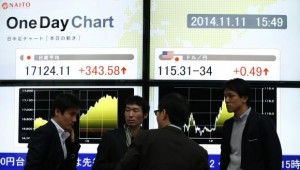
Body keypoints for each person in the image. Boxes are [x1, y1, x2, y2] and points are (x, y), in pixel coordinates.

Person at [116, 93, 209, 170]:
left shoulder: (145, 137)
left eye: (157, 112)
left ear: (164, 114)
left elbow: (124, 167)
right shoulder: (200, 152)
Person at [220, 78, 282, 170]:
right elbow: (225, 158)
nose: (227, 100)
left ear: (244, 98)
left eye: (231, 96)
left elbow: (274, 158)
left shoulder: (263, 122)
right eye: (225, 96)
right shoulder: (228, 125)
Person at [24, 93, 81, 170]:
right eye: (71, 114)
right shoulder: (43, 133)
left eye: (76, 115)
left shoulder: (66, 136)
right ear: (57, 112)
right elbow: (32, 167)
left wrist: (73, 143)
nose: (74, 120)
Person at [92, 95, 149, 170]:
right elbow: (97, 167)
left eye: (135, 111)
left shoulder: (149, 138)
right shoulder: (110, 137)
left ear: (145, 115)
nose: (130, 115)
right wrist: (122, 166)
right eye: (127, 110)